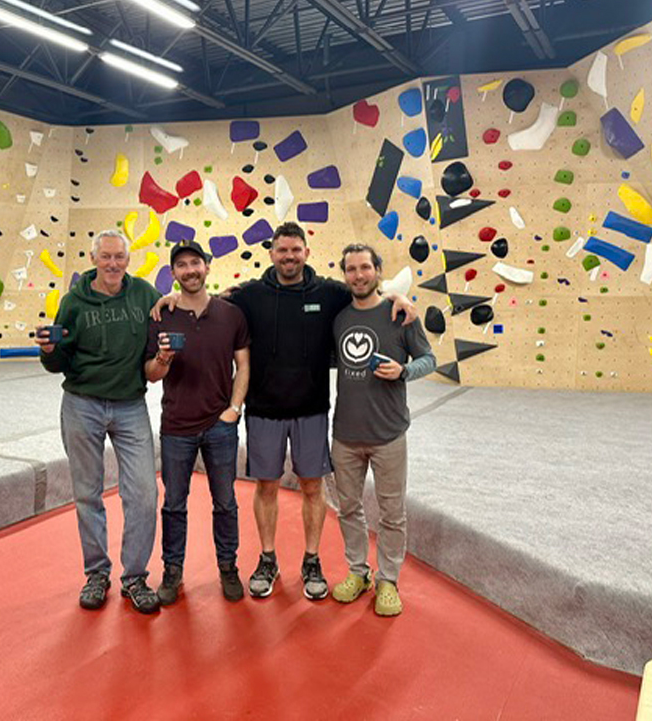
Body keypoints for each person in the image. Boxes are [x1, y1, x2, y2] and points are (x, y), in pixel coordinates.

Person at [222, 222, 419, 601]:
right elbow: (213, 300)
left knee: (313, 488)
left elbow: (367, 291)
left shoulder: (329, 292)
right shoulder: (251, 294)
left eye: (296, 250)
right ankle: (267, 558)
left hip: (312, 411)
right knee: (266, 486)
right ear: (272, 253)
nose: (289, 256)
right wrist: (169, 299)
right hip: (263, 410)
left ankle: (311, 560)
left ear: (306, 252)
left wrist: (399, 297)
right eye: (282, 250)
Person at [37, 229, 161, 615]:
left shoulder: (144, 295)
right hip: (81, 404)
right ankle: (96, 573)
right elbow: (59, 362)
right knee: (88, 493)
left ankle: (135, 576)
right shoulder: (74, 301)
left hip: (129, 405)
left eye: (119, 257)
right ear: (94, 259)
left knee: (143, 493)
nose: (112, 264)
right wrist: (48, 351)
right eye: (105, 257)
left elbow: (168, 315)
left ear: (128, 260)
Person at [330, 243, 436, 617]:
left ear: (377, 270)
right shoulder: (338, 317)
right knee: (348, 509)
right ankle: (357, 573)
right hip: (345, 435)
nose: (358, 275)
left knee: (392, 513)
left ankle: (387, 579)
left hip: (389, 433)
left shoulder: (400, 315)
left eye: (365, 267)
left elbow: (429, 359)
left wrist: (404, 371)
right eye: (351, 269)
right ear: (345, 275)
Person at [144, 241, 250, 604]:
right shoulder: (161, 315)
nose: (189, 270)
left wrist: (234, 409)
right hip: (176, 426)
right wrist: (162, 358)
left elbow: (244, 365)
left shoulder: (231, 314)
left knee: (226, 503)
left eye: (195, 263)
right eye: (181, 266)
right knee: (174, 504)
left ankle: (228, 567)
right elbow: (152, 375)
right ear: (173, 274)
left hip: (221, 426)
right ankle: (172, 571)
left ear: (207, 266)